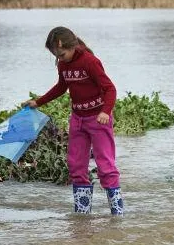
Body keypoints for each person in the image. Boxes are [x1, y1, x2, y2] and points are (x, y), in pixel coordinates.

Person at [23, 26, 124, 215]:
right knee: (76, 166)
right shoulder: (63, 65)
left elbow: (110, 89)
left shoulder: (90, 62)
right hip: (78, 120)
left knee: (106, 166)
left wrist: (105, 112)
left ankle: (117, 216)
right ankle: (82, 216)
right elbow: (61, 87)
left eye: (61, 54)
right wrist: (38, 101)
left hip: (98, 120)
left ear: (71, 46)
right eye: (56, 55)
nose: (59, 59)